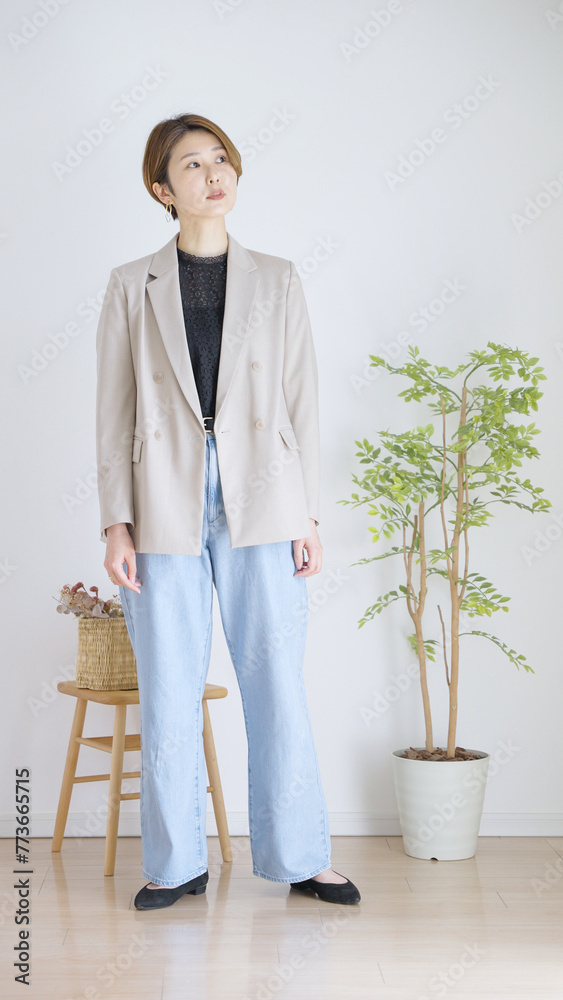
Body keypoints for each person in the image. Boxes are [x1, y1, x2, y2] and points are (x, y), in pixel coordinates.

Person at [95, 113, 360, 910]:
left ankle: (301, 855)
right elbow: (112, 410)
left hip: (265, 494)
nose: (213, 175)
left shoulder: (277, 279)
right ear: (161, 188)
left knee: (275, 679)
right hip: (161, 495)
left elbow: (302, 399)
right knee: (169, 684)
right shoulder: (130, 284)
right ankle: (176, 863)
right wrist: (115, 521)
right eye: (191, 164)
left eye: (221, 159)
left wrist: (307, 515)